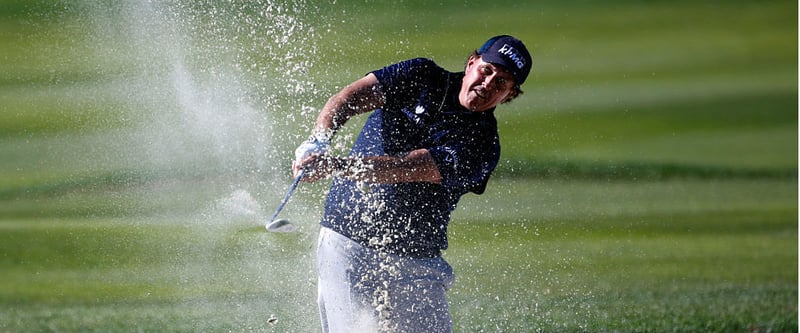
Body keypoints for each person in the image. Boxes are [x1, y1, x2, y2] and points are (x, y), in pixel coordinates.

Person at [292, 35, 532, 333]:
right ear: (471, 63)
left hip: (417, 261)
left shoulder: (482, 145)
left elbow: (408, 167)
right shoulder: (420, 75)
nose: (488, 83)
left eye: (501, 83)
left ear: (509, 95)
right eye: (487, 70)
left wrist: (337, 166)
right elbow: (351, 98)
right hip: (349, 242)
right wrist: (318, 141)